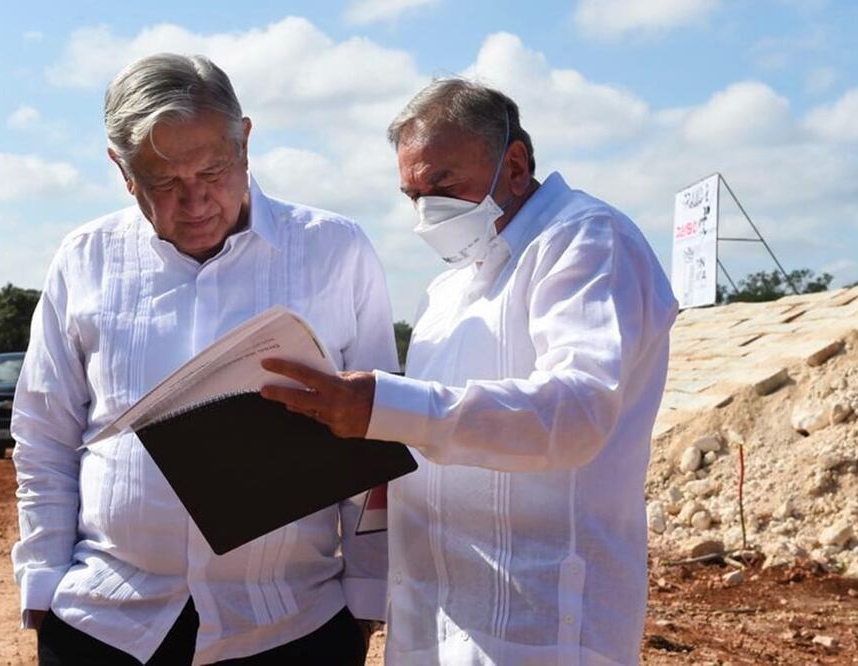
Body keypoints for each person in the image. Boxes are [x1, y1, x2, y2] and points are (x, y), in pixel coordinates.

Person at [261, 78, 678, 665]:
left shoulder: (586, 241)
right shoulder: (449, 286)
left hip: (539, 630)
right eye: (412, 194)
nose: (427, 210)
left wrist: (384, 407)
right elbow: (431, 433)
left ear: (514, 163)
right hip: (432, 628)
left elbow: (577, 412)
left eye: (443, 184)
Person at [11, 53, 398, 665]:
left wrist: (368, 594)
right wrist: (42, 581)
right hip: (107, 620)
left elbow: (380, 432)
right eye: (164, 183)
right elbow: (44, 432)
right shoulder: (84, 258)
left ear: (245, 140)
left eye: (214, 171)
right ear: (121, 169)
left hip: (291, 621)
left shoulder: (335, 250)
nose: (195, 202)